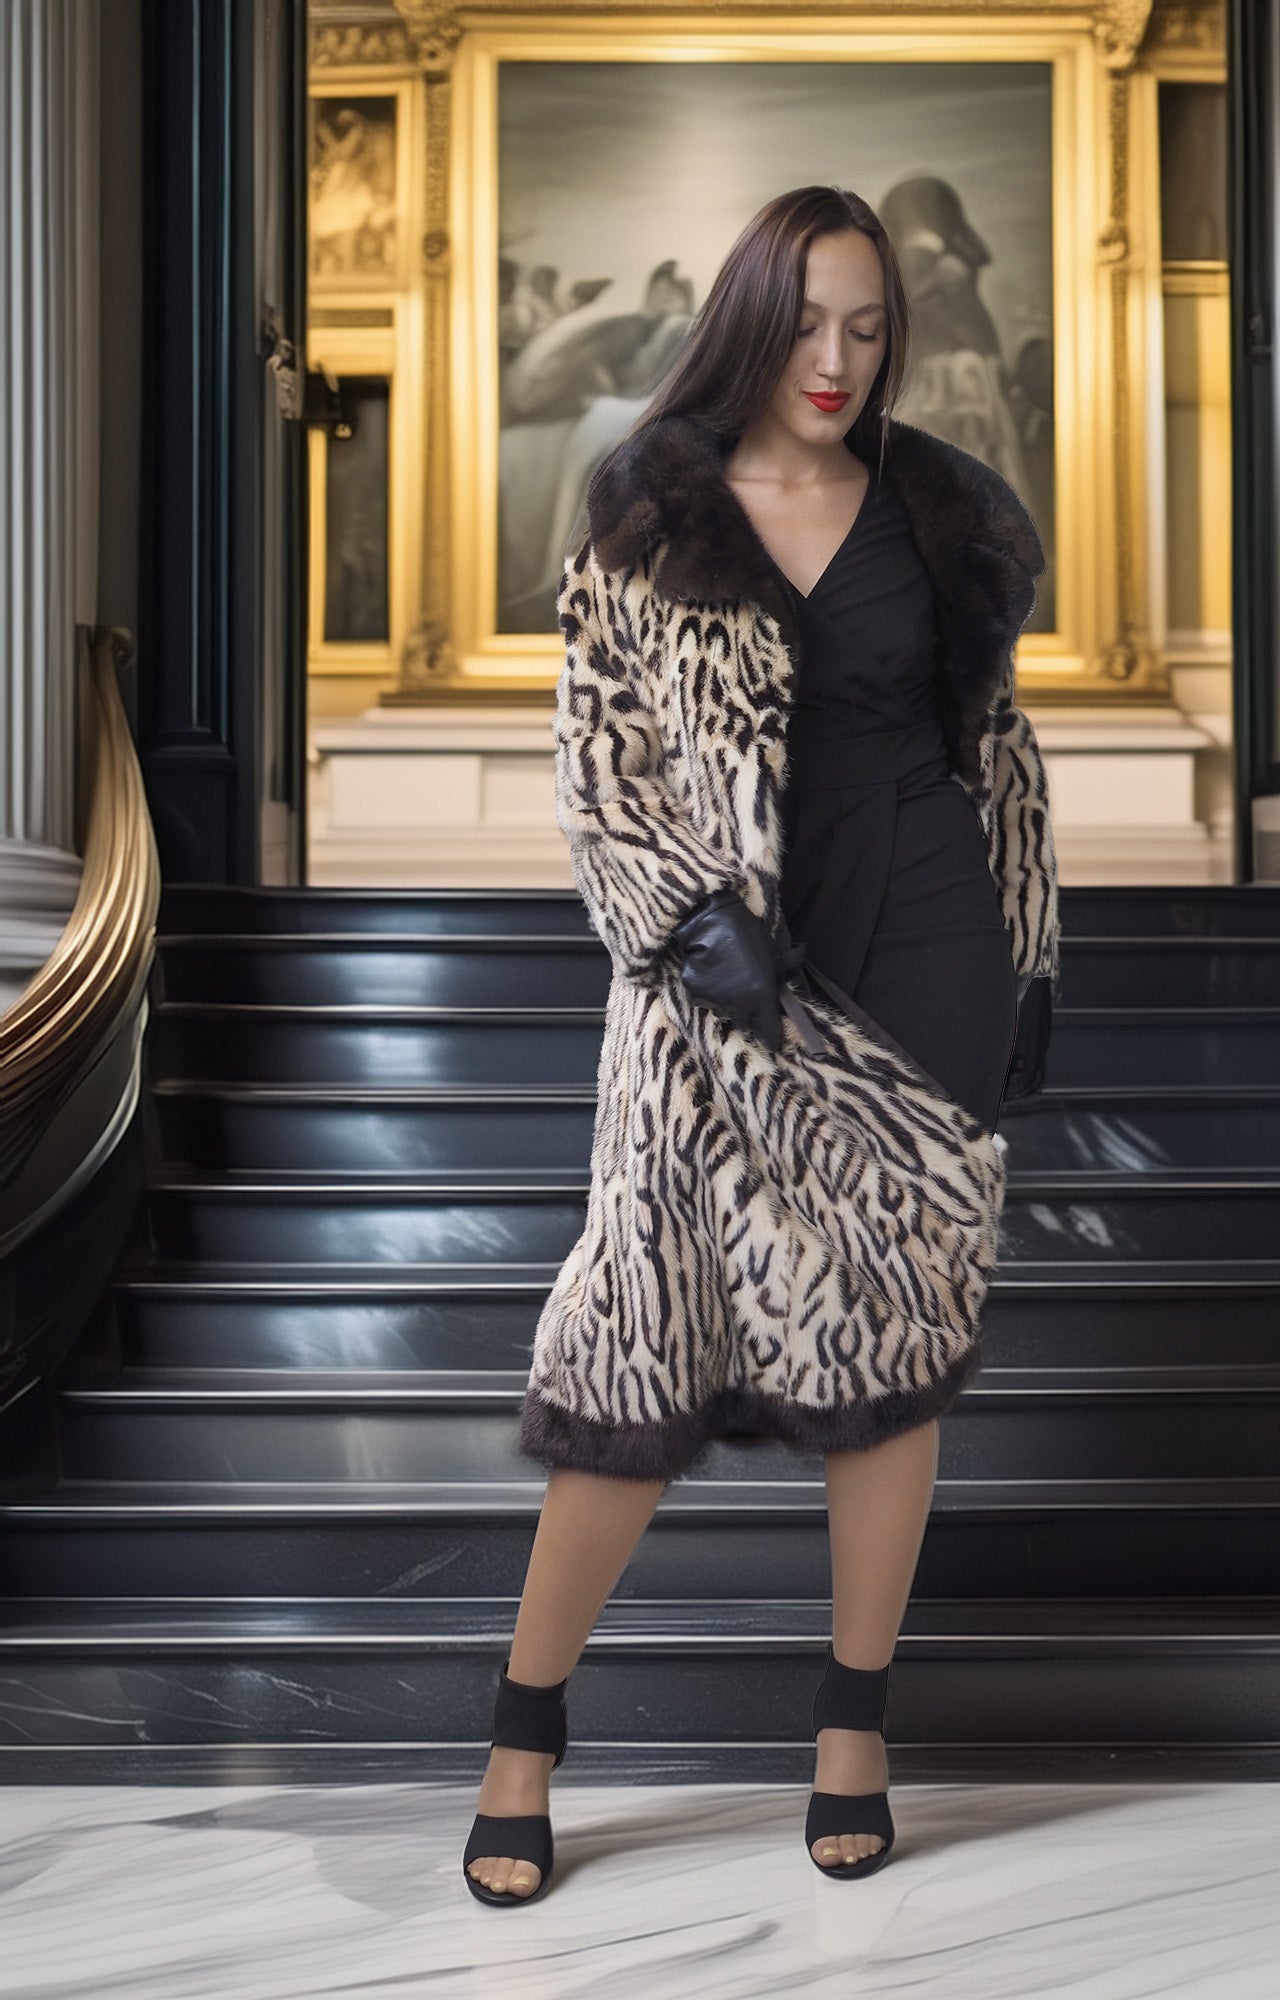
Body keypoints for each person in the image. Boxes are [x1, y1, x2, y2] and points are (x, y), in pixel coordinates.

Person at [463, 185, 1060, 1907]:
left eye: (870, 328)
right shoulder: (645, 508)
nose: (839, 359)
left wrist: (1030, 960)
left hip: (926, 958)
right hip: (714, 987)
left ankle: (855, 1727)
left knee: (892, 1357)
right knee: (633, 1353)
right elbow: (600, 767)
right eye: (809, 322)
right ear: (746, 315)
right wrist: (673, 921)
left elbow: (997, 759)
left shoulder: (943, 515)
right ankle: (523, 1734)